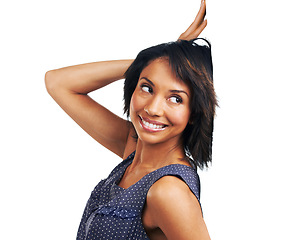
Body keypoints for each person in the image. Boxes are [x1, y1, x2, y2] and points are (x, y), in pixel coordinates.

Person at [45, 1, 216, 239]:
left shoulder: (168, 191)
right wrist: (155, 62)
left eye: (175, 99)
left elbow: (59, 84)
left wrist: (155, 67)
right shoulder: (134, 151)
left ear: (194, 113)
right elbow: (57, 83)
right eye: (147, 87)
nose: (154, 108)